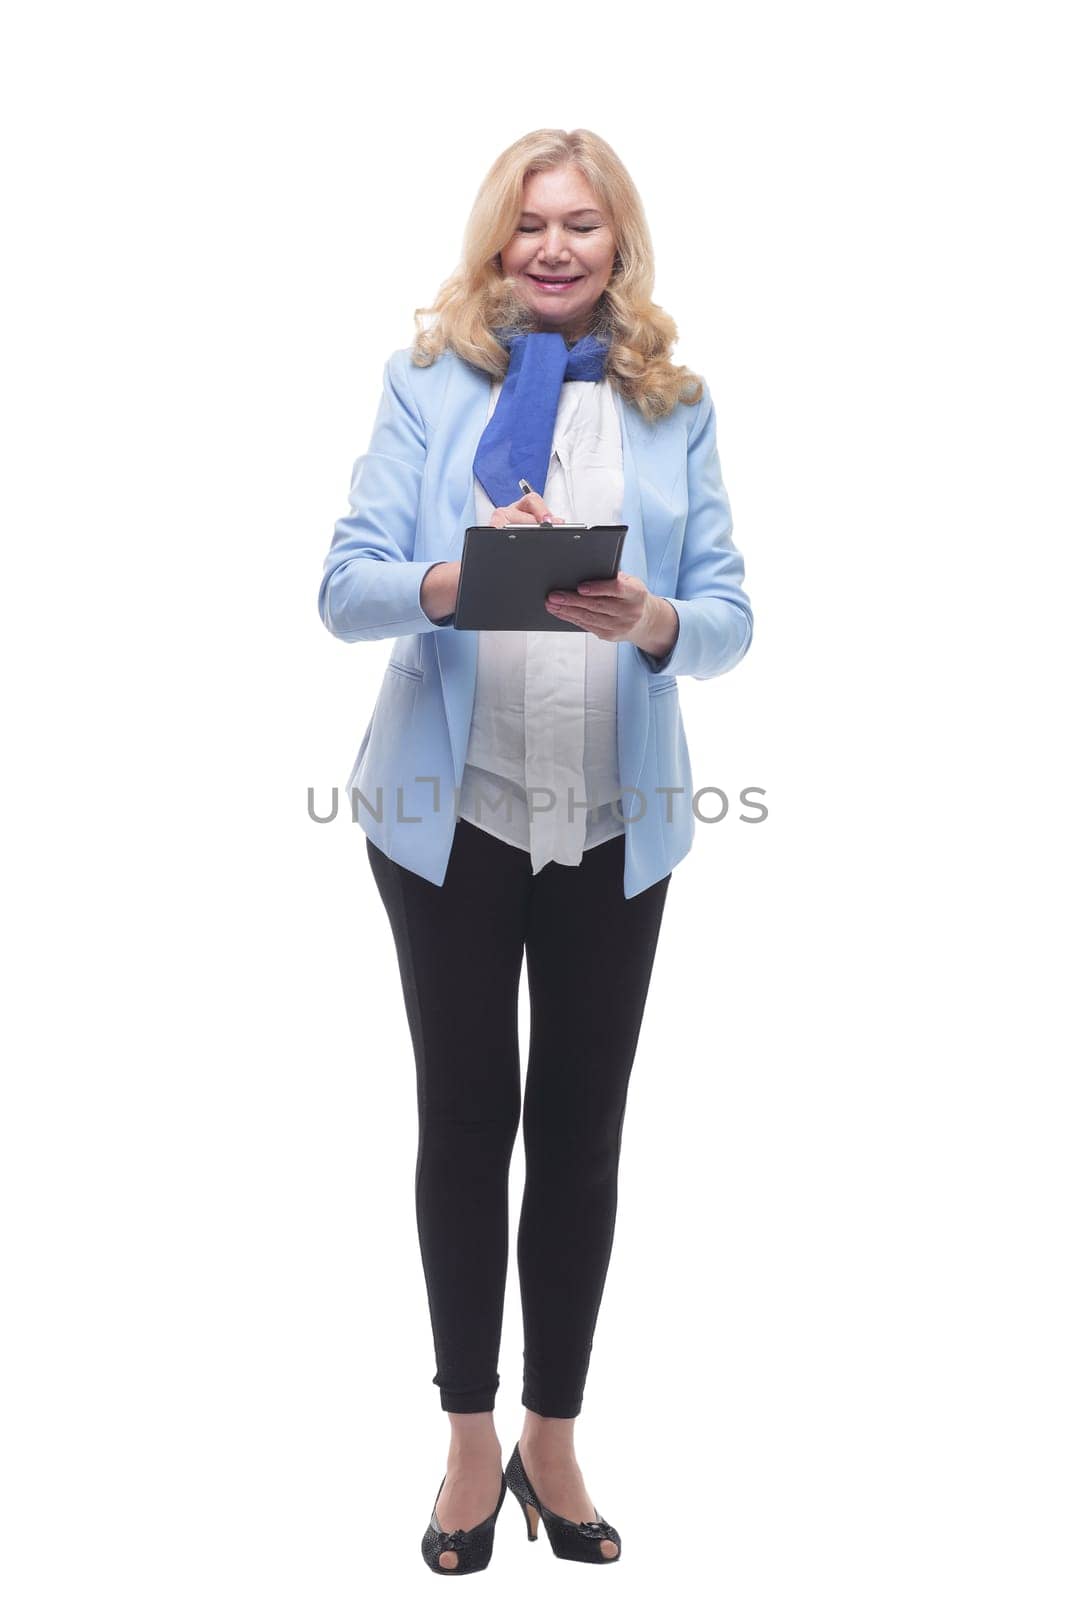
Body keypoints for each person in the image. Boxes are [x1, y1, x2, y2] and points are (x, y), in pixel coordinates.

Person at [317, 127, 754, 1574]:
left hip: (614, 824)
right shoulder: (429, 383)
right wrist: (448, 579)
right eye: (529, 227)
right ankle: (464, 1434)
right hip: (457, 814)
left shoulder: (671, 404)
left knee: (581, 1135)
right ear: (495, 245)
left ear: (617, 244)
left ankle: (552, 1437)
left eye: (582, 225)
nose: (555, 248)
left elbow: (732, 612)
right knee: (468, 1120)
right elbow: (346, 590)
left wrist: (662, 623)